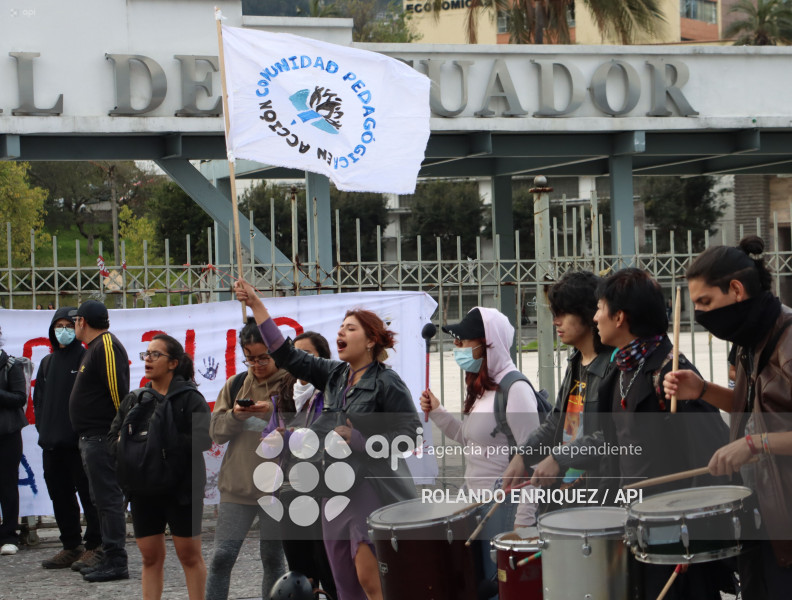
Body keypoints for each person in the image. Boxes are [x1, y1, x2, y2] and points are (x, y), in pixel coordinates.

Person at [235, 278, 420, 600]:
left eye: (350, 329)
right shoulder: (335, 374)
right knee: (344, 585)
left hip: (367, 491)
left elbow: (411, 436)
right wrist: (256, 305)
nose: (341, 334)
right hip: (329, 492)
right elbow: (286, 354)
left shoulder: (387, 383)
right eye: (341, 328)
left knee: (370, 582)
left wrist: (361, 440)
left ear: (372, 340)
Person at [663, 235, 792, 600]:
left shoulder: (787, 342)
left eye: (705, 302)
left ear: (736, 289)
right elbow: (761, 409)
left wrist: (754, 444)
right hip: (764, 513)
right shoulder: (754, 338)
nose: (701, 315)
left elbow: (763, 432)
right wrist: (702, 390)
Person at [594, 268, 730, 600]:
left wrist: (692, 536)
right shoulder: (619, 369)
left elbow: (713, 459)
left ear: (620, 316)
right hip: (635, 531)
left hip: (675, 542)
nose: (595, 317)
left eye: (599, 308)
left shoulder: (672, 376)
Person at [421, 307, 540, 597]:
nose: (456, 348)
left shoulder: (515, 389)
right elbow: (471, 440)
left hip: (504, 509)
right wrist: (437, 412)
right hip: (476, 505)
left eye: (463, 342)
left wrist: (522, 523)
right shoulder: (482, 388)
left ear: (488, 343)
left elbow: (534, 459)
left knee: (501, 589)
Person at [109, 334, 211, 600]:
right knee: (149, 556)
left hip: (182, 487)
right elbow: (112, 438)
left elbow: (204, 439)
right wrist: (125, 446)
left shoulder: (190, 398)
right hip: (144, 487)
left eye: (156, 354)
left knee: (189, 555)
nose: (148, 359)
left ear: (173, 363)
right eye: (146, 354)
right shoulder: (136, 400)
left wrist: (166, 441)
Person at [502, 271, 614, 508]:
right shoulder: (575, 363)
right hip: (566, 494)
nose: (555, 321)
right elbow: (556, 422)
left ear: (588, 312)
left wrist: (558, 457)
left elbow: (613, 435)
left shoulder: (614, 367)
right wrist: (523, 455)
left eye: (563, 313)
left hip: (600, 498)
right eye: (554, 314)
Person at [206, 318, 287, 600]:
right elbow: (216, 434)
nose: (257, 364)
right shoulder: (235, 384)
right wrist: (235, 417)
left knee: (273, 560)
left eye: (264, 357)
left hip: (277, 490)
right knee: (221, 557)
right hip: (237, 487)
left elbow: (306, 430)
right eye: (250, 359)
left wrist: (270, 413)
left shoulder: (291, 383)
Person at [261, 331, 337, 599]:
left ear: (323, 360)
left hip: (323, 492)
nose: (302, 361)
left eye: (309, 355)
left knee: (327, 565)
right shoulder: (283, 394)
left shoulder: (333, 393)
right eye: (298, 355)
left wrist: (291, 436)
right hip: (289, 491)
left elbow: (326, 437)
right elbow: (268, 437)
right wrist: (272, 439)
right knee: (299, 572)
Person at [33, 307, 102, 569]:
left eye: (68, 324)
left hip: (79, 442)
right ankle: (70, 545)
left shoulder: (87, 357)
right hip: (51, 443)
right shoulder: (47, 362)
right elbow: (38, 400)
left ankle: (95, 545)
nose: (63, 330)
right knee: (60, 496)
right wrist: (43, 428)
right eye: (58, 325)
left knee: (89, 496)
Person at [68, 300, 130, 582]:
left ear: (83, 322)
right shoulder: (92, 349)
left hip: (101, 437)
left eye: (75, 321)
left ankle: (117, 559)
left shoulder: (105, 345)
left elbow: (118, 392)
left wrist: (117, 431)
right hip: (90, 437)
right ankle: (108, 550)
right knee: (99, 498)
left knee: (108, 499)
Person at [0, 325, 27, 556]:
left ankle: (9, 535)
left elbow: (20, 398)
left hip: (7, 433)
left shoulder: (11, 365)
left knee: (8, 484)